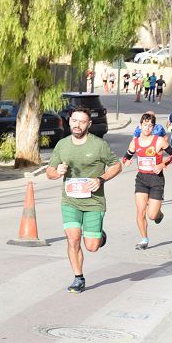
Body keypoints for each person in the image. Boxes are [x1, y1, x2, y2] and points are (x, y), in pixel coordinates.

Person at [47, 107, 122, 293]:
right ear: (69, 121)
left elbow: (116, 165)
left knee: (92, 246)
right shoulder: (62, 145)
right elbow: (50, 171)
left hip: (93, 202)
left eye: (82, 122)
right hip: (70, 201)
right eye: (74, 120)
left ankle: (98, 234)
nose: (77, 125)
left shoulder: (98, 145)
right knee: (73, 240)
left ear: (89, 124)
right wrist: (57, 173)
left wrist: (101, 179)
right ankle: (78, 278)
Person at [122, 113, 172, 249]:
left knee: (152, 215)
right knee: (140, 211)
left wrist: (162, 165)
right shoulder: (135, 142)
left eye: (150, 126)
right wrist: (126, 161)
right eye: (145, 125)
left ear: (153, 127)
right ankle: (144, 239)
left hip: (156, 179)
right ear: (140, 126)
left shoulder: (158, 141)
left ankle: (159, 214)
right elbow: (126, 156)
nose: (147, 128)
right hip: (141, 179)